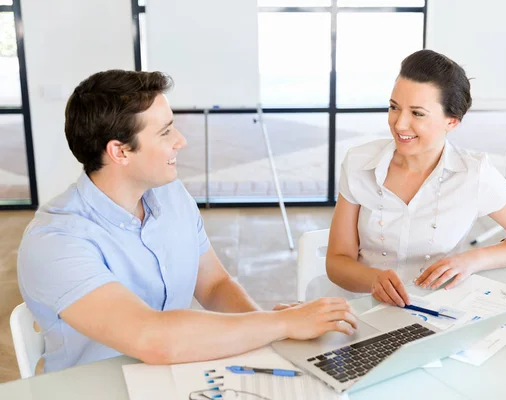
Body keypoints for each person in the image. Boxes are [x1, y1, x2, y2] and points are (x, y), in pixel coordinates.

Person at [17, 70, 357, 373]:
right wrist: (280, 323)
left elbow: (214, 286)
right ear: (120, 152)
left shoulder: (170, 196)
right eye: (165, 133)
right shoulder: (55, 241)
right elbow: (152, 338)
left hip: (177, 376)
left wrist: (270, 330)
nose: (181, 140)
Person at [326, 49, 506, 307]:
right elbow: (337, 261)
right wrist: (374, 280)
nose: (400, 124)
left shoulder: (473, 173)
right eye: (394, 107)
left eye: (417, 113)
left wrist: (473, 260)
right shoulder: (359, 162)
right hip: (366, 310)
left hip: (440, 311)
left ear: (452, 121)